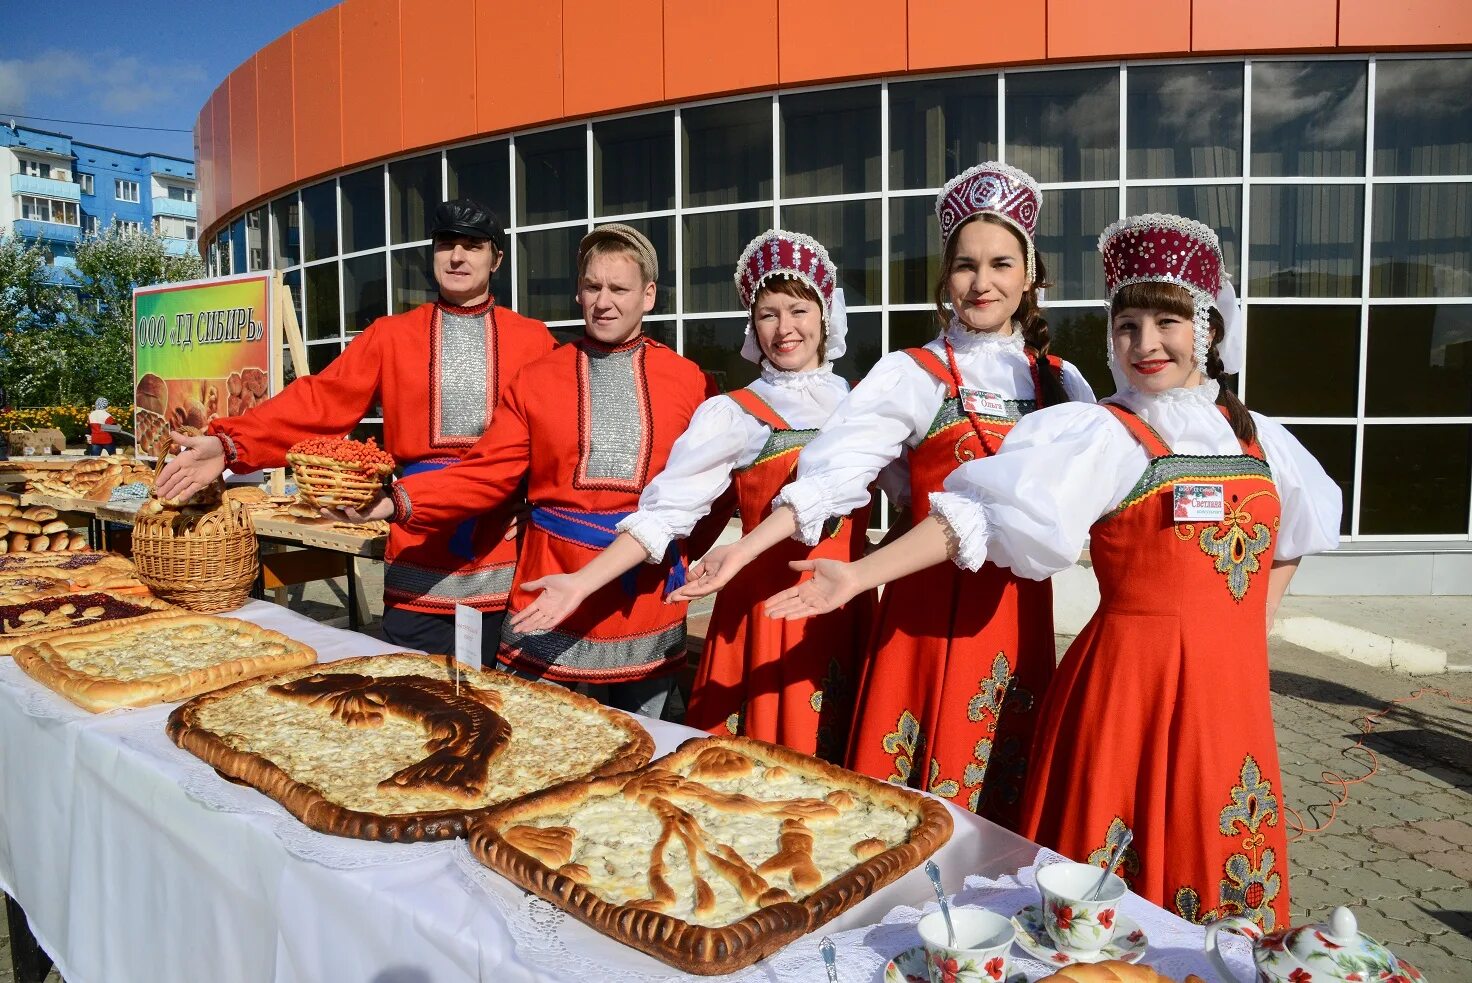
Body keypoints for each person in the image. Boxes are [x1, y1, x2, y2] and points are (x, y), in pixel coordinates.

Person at [765, 213, 1341, 931]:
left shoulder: (1260, 436)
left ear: (1208, 328)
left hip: (1231, 699)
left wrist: (1250, 629)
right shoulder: (1102, 433)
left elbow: (1295, 534)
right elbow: (975, 517)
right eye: (1127, 325)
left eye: (1167, 321)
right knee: (1109, 898)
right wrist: (858, 576)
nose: (1145, 344)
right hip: (1127, 685)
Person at [675, 163, 1093, 824]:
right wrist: (743, 549)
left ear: (1030, 275)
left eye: (1000, 264)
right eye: (964, 266)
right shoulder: (908, 374)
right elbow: (834, 474)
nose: (981, 283)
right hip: (919, 613)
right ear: (944, 277)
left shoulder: (1064, 383)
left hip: (1015, 619)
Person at [504, 230, 876, 758]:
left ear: (825, 315)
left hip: (849, 609)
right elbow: (666, 515)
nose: (785, 328)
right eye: (767, 314)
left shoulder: (867, 406)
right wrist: (582, 583)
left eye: (798, 310)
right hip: (764, 618)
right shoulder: (734, 413)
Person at [153, 199, 555, 659]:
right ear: (433, 254)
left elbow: (558, 437)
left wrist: (539, 507)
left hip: (500, 551)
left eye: (473, 246)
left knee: (497, 705)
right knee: (411, 691)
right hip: (414, 543)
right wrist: (230, 444)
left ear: (496, 259)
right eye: (447, 244)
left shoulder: (534, 340)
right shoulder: (392, 335)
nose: (458, 257)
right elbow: (320, 400)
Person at [346, 225, 710, 717]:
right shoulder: (539, 378)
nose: (603, 302)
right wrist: (396, 502)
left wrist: (684, 554)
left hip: (642, 596)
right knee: (534, 738)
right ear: (578, 291)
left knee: (645, 749)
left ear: (648, 296)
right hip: (549, 582)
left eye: (619, 289)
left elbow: (710, 486)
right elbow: (487, 472)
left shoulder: (689, 381)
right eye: (592, 286)